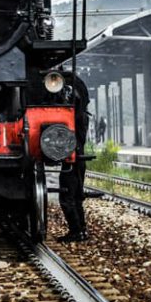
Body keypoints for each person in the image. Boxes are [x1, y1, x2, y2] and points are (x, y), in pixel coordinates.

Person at [57, 76, 89, 243]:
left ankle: (76, 230)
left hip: (73, 157)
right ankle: (81, 230)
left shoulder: (77, 118)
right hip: (78, 157)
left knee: (68, 196)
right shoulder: (84, 116)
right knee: (76, 195)